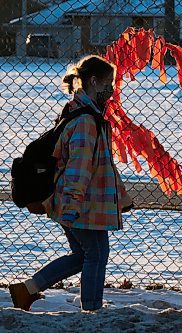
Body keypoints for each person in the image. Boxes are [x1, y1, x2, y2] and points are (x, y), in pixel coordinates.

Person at [9, 55, 133, 312]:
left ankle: (27, 290)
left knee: (83, 255)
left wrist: (121, 198)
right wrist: (72, 206)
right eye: (108, 83)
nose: (111, 89)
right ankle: (91, 308)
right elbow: (78, 168)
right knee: (96, 254)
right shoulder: (86, 121)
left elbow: (102, 166)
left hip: (79, 201)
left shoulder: (81, 113)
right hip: (80, 203)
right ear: (93, 81)